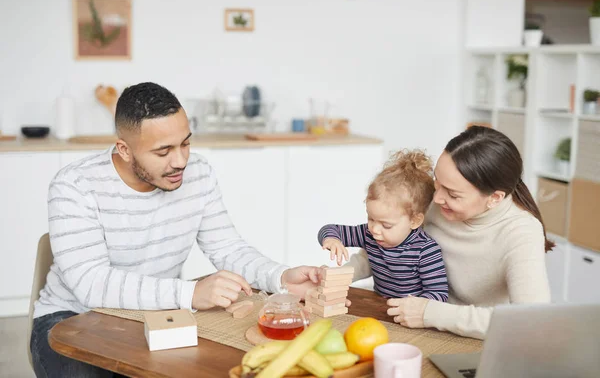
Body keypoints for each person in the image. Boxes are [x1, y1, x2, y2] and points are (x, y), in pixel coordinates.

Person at [31, 82, 324, 378]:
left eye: (185, 143)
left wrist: (280, 277)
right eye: (163, 151)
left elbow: (228, 248)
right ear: (124, 150)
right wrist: (191, 293)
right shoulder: (74, 185)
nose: (181, 161)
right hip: (71, 319)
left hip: (158, 314)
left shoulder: (199, 173)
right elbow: (91, 284)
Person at [346, 126, 552, 339]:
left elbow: (531, 322)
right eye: (438, 181)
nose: (436, 199)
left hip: (475, 340)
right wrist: (333, 278)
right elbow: (385, 247)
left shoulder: (521, 232)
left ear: (494, 198)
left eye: (453, 194)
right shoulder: (436, 200)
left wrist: (430, 313)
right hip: (415, 323)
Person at [317, 149, 448, 302]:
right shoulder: (368, 234)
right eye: (371, 218)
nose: (375, 230)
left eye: (386, 225)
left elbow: (439, 294)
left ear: (415, 221)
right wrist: (331, 239)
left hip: (411, 317)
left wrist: (416, 306)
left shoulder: (425, 250)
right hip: (380, 305)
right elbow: (330, 229)